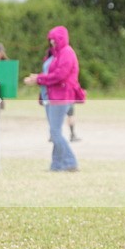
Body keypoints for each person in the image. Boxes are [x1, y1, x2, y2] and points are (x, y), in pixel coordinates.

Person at [23, 26, 85, 172]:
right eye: (50, 39)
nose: (51, 42)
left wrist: (38, 79)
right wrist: (38, 78)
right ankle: (57, 165)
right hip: (50, 96)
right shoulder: (54, 54)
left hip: (61, 96)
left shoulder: (67, 53)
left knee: (55, 132)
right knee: (54, 132)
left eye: (54, 39)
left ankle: (70, 162)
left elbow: (60, 75)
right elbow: (50, 73)